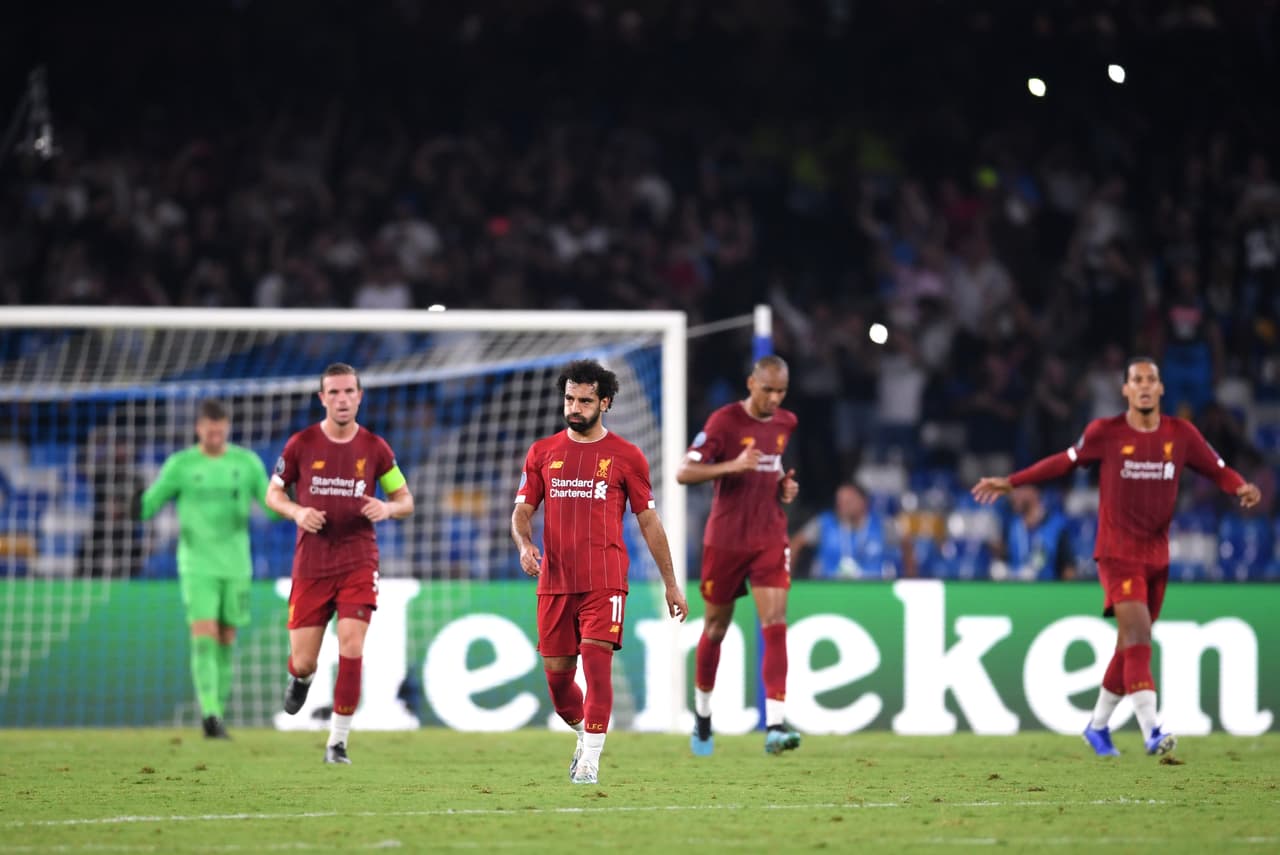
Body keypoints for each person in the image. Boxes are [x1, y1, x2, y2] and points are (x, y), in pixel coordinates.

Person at [972, 356, 1260, 758]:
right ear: (1125, 389)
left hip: (1157, 555)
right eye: (1135, 380)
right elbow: (1063, 462)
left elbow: (1217, 469)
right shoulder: (1105, 433)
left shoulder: (1182, 434)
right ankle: (1151, 730)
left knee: (1129, 645)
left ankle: (1097, 727)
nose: (1143, 385)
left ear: (1161, 389)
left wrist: (1240, 487)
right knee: (1140, 636)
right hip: (1117, 553)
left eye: (1151, 379)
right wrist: (1013, 482)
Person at [511, 359, 688, 785]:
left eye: (585, 400)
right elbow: (522, 509)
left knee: (597, 665)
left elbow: (649, 521)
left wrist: (671, 583)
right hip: (555, 580)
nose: (575, 407)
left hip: (605, 578)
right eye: (569, 398)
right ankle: (583, 735)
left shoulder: (627, 456)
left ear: (604, 403)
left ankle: (589, 763)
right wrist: (525, 543)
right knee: (558, 685)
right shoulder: (542, 452)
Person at [266, 363, 414, 764]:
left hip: (358, 560)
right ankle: (303, 678)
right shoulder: (301, 444)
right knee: (304, 659)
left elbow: (406, 500)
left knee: (352, 646)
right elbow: (273, 494)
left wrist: (387, 506)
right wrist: (297, 512)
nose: (342, 399)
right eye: (333, 393)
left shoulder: (375, 448)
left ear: (360, 396)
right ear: (322, 399)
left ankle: (338, 742)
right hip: (311, 564)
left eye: (349, 391)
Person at [678, 354, 801, 757]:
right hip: (726, 540)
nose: (775, 398)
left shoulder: (786, 423)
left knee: (775, 621)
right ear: (751, 383)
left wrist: (782, 486)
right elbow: (684, 472)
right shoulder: (723, 422)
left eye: (781, 391)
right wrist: (732, 465)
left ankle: (776, 725)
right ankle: (703, 715)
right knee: (715, 628)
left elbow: (773, 466)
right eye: (768, 390)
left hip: (769, 535)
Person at [136, 399, 274, 739]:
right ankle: (209, 713)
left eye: (220, 428)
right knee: (204, 634)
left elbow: (272, 508)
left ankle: (218, 713)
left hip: (237, 565)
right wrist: (132, 500)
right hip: (197, 564)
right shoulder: (181, 465)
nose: (214, 434)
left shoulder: (246, 463)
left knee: (227, 637)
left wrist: (295, 501)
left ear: (226, 427)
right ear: (198, 428)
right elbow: (148, 507)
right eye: (208, 429)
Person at [792, 482, 916, 579]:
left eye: (848, 502)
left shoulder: (883, 524)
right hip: (829, 588)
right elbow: (796, 543)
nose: (842, 506)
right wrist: (788, 577)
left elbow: (907, 545)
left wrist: (910, 579)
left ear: (863, 502)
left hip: (873, 589)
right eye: (839, 501)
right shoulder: (825, 523)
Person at [990, 485, 1077, 581]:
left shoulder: (1057, 527)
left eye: (1019, 489)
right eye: (1012, 491)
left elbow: (1069, 569)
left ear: (1035, 491)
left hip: (1047, 591)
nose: (1013, 495)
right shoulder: (1011, 525)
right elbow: (1004, 559)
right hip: (1017, 592)